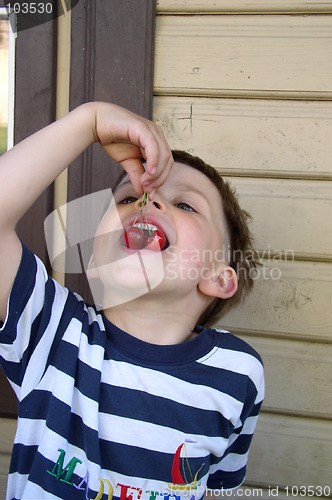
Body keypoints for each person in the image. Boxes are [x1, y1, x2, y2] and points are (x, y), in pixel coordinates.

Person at [0, 102, 264, 500]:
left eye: (185, 204)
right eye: (126, 198)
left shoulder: (238, 373)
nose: (148, 201)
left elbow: (217, 489)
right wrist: (88, 122)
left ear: (218, 277)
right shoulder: (54, 333)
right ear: (93, 262)